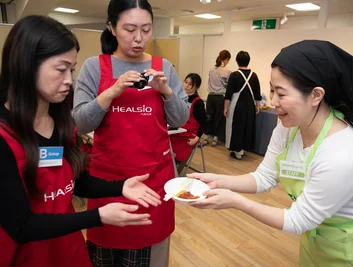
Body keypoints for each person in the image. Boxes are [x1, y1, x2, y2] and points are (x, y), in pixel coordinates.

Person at [189, 40, 353, 266]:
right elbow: (264, 177)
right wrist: (217, 181)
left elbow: (298, 220)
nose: (274, 101)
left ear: (316, 95)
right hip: (317, 236)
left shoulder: (342, 154)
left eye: (281, 93)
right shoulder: (289, 127)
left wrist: (236, 202)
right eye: (272, 90)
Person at [0, 15, 161, 267]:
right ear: (26, 66)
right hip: (26, 255)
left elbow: (76, 182)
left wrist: (121, 187)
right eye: (61, 69)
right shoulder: (5, 136)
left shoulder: (62, 122)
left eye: (72, 70)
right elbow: (21, 225)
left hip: (67, 248)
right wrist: (96, 216)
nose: (69, 80)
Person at [72, 0, 189, 266]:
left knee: (151, 254)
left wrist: (166, 92)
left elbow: (181, 117)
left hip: (154, 180)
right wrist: (112, 91)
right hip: (108, 180)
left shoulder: (164, 66)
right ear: (111, 28)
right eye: (129, 29)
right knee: (105, 254)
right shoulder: (94, 67)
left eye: (146, 30)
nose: (139, 38)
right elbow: (80, 123)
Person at [224, 51, 261, 160]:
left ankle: (238, 151)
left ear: (237, 61)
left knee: (236, 127)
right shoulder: (254, 75)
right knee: (247, 126)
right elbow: (257, 95)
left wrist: (226, 108)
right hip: (250, 106)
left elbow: (228, 94)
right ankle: (242, 149)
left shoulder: (234, 75)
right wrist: (257, 106)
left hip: (237, 106)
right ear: (248, 61)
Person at [170, 73, 206, 170]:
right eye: (185, 82)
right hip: (177, 130)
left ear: (196, 87)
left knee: (175, 147)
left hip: (189, 135)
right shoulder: (178, 97)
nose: (186, 85)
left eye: (190, 84)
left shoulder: (198, 102)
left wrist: (197, 138)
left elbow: (203, 122)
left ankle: (175, 169)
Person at [203, 50, 231, 147]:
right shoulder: (227, 71)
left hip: (210, 96)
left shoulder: (211, 70)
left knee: (209, 116)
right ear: (226, 59)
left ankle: (206, 137)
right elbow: (228, 86)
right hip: (220, 97)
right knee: (219, 118)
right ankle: (215, 139)